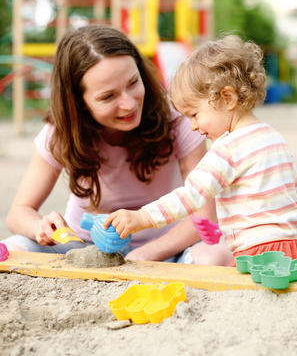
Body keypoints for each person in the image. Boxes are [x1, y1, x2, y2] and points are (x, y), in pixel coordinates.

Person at [2, 24, 232, 265]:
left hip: (166, 246)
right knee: (13, 248)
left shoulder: (179, 118)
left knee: (216, 255)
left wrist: (146, 254)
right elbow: (19, 212)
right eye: (108, 96)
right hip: (82, 247)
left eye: (133, 83)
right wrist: (40, 226)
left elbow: (205, 218)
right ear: (78, 103)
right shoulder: (60, 134)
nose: (129, 104)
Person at [104, 35, 297, 265]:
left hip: (255, 251)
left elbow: (192, 195)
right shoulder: (273, 137)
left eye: (194, 114)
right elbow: (294, 188)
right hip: (296, 247)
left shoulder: (227, 147)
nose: (193, 125)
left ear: (227, 97)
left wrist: (143, 217)